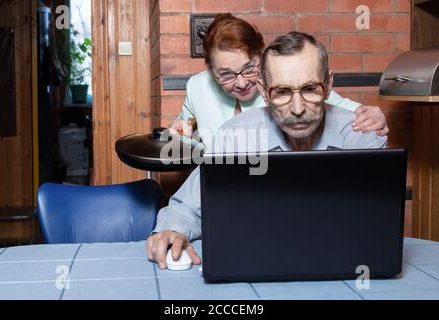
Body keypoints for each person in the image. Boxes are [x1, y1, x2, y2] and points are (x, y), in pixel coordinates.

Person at [147, 31, 388, 269]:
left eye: (310, 89)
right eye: (282, 92)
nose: (297, 108)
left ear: (328, 85)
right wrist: (171, 230)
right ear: (264, 91)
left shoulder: (362, 134)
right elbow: (187, 207)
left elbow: (376, 223)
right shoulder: (234, 138)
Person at [169, 13, 388, 146]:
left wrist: (370, 114)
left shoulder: (281, 82)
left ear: (260, 57)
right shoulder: (197, 87)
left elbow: (340, 108)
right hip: (221, 186)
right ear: (210, 70)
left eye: (249, 68)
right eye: (226, 75)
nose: (242, 83)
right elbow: (189, 129)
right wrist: (181, 133)